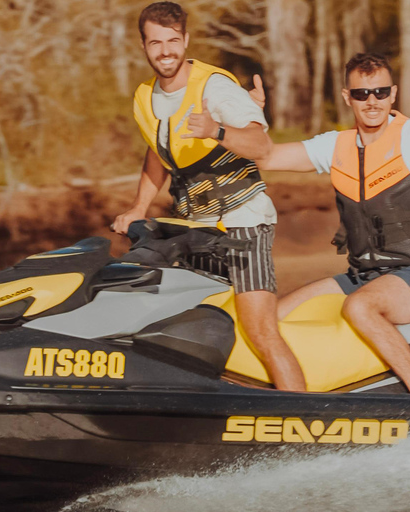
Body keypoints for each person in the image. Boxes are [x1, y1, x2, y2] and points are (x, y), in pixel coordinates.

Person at [255, 50, 410, 394]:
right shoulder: (334, 146)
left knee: (361, 307)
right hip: (360, 275)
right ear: (348, 97)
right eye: (361, 93)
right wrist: (251, 118)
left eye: (380, 92)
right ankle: (294, 395)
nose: (371, 101)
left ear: (393, 93)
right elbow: (267, 155)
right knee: (271, 316)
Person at [111, 2, 306, 391]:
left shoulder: (214, 87)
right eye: (155, 42)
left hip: (242, 224)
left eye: (172, 40)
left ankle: (303, 418)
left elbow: (260, 143)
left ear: (184, 40)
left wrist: (216, 130)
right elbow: (157, 153)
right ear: (143, 45)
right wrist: (138, 207)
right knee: (193, 328)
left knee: (259, 331)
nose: (165, 50)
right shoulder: (144, 97)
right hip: (194, 227)